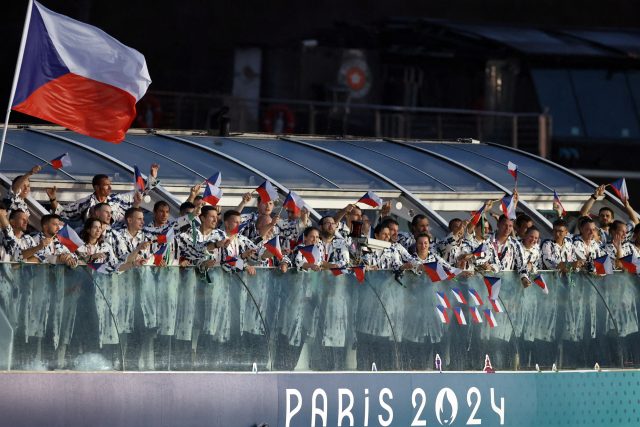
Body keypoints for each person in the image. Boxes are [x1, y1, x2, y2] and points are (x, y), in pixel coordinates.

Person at [47, 164, 159, 223]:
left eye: (110, 184)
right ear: (96, 187)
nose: (110, 187)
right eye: (106, 185)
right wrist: (52, 199)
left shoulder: (116, 199)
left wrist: (152, 177)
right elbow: (62, 211)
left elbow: (139, 192)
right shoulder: (86, 202)